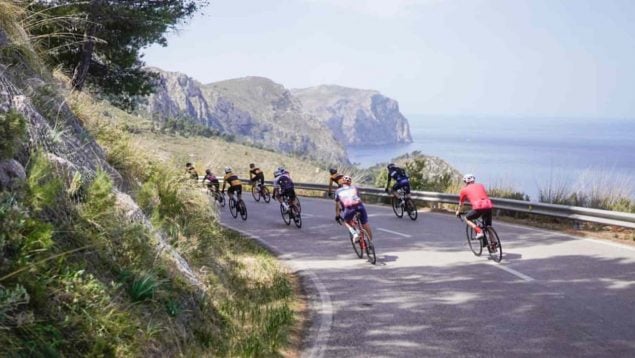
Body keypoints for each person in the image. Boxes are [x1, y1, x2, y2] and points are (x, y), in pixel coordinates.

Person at [455, 174, 493, 240]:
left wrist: (458, 211)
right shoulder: (481, 185)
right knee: (488, 226)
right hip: (488, 205)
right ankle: (493, 243)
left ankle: (479, 231)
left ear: (465, 182)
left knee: (466, 218)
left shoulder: (464, 190)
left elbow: (461, 203)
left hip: (478, 207)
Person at [335, 176, 372, 242]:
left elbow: (337, 204)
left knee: (346, 221)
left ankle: (355, 234)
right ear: (350, 182)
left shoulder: (338, 191)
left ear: (342, 182)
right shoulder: (355, 188)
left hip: (349, 207)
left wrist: (337, 215)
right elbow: (357, 197)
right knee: (365, 223)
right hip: (359, 206)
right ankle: (370, 242)